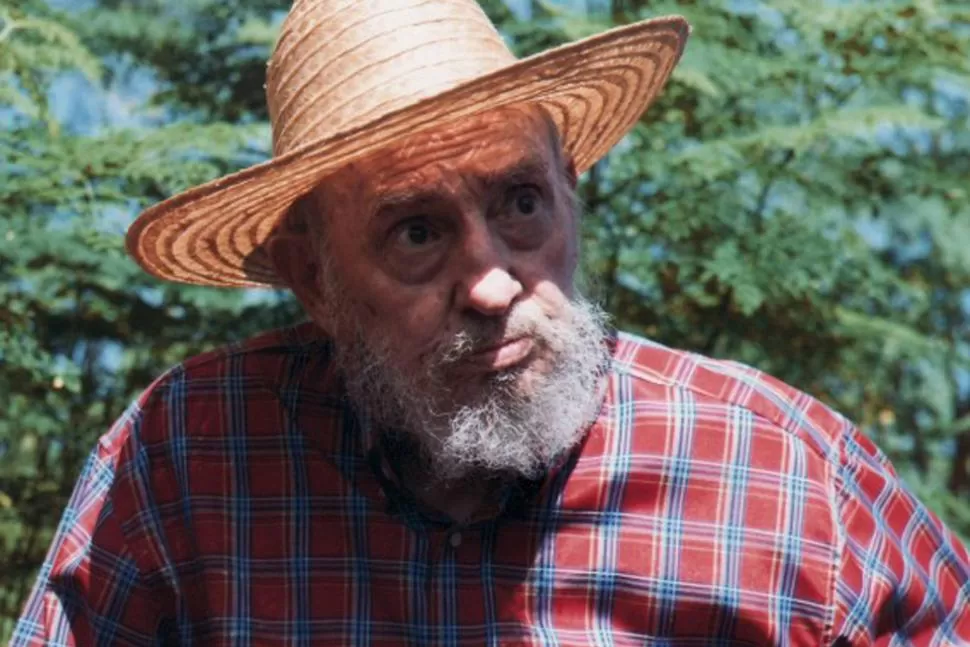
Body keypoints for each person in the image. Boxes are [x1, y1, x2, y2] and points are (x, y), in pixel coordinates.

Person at [13, 1, 970, 645]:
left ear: (571, 189)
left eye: (520, 204)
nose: (491, 284)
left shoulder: (785, 480)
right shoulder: (189, 461)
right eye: (418, 231)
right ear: (312, 275)